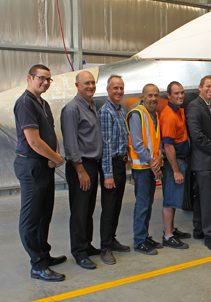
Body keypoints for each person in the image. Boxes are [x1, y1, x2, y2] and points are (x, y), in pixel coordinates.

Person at [14, 64, 66, 282]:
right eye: (41, 78)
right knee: (31, 219)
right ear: (30, 77)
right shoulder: (25, 103)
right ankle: (37, 265)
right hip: (32, 166)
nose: (45, 82)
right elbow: (34, 141)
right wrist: (57, 159)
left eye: (48, 79)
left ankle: (44, 255)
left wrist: (54, 154)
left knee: (45, 214)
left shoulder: (42, 103)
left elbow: (50, 132)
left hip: (45, 165)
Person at [61, 71, 103, 269]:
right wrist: (80, 170)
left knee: (88, 209)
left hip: (92, 165)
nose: (91, 86)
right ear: (77, 85)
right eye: (86, 83)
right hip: (81, 166)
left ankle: (86, 245)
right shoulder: (71, 109)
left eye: (93, 83)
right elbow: (70, 144)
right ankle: (79, 252)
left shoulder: (91, 105)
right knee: (79, 211)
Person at [186, 75, 211, 252]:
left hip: (208, 160)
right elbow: (197, 135)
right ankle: (210, 236)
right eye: (208, 86)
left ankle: (199, 230)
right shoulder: (195, 106)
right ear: (200, 87)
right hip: (202, 161)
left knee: (201, 198)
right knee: (208, 199)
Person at [97, 75, 131, 265]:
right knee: (109, 208)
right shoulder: (106, 112)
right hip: (112, 165)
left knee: (117, 206)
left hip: (121, 164)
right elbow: (106, 146)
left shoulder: (120, 110)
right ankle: (105, 248)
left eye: (121, 88)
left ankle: (111, 239)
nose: (118, 91)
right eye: (115, 88)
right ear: (108, 90)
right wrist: (108, 175)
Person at [127, 84, 164, 255]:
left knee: (148, 204)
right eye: (150, 95)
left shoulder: (154, 114)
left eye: (156, 95)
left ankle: (145, 235)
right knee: (142, 204)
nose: (153, 98)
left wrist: (159, 158)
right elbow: (137, 143)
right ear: (143, 96)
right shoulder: (137, 114)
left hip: (151, 165)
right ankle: (139, 241)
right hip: (142, 168)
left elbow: (157, 141)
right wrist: (152, 162)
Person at [159, 81, 191, 249]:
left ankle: (171, 229)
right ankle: (168, 235)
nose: (180, 96)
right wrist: (176, 170)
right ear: (169, 96)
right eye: (176, 93)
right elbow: (168, 146)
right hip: (175, 163)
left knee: (174, 197)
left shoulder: (178, 111)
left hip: (180, 161)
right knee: (170, 199)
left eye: (182, 92)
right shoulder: (170, 116)